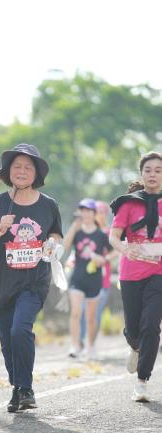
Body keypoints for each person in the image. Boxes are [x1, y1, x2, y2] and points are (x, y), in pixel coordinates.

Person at [0, 143, 63, 413]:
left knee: (20, 329)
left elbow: (56, 234)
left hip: (34, 281)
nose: (22, 171)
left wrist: (52, 244)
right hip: (2, 282)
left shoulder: (48, 205)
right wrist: (0, 230)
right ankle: (17, 387)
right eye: (17, 167)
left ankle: (26, 388)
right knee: (6, 337)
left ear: (36, 173)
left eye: (28, 167)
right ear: (8, 171)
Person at [109, 151, 162, 402]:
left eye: (158, 170)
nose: (153, 174)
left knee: (151, 324)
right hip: (131, 272)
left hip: (159, 273)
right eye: (148, 170)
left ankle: (142, 381)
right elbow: (114, 236)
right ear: (141, 173)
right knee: (134, 328)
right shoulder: (129, 203)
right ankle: (134, 346)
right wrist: (124, 248)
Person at [63, 198, 112, 359]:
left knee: (91, 317)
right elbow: (65, 246)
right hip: (77, 278)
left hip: (94, 280)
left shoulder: (101, 234)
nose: (85, 213)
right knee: (76, 312)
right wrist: (73, 227)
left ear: (94, 213)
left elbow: (115, 251)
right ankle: (75, 346)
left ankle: (91, 346)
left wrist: (103, 259)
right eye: (82, 210)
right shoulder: (77, 232)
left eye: (88, 210)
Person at [80, 201, 119, 344]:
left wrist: (104, 258)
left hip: (103, 281)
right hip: (84, 278)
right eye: (95, 212)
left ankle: (91, 343)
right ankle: (82, 341)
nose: (98, 215)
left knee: (95, 314)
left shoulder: (109, 233)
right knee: (83, 311)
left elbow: (117, 250)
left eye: (101, 212)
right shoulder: (86, 232)